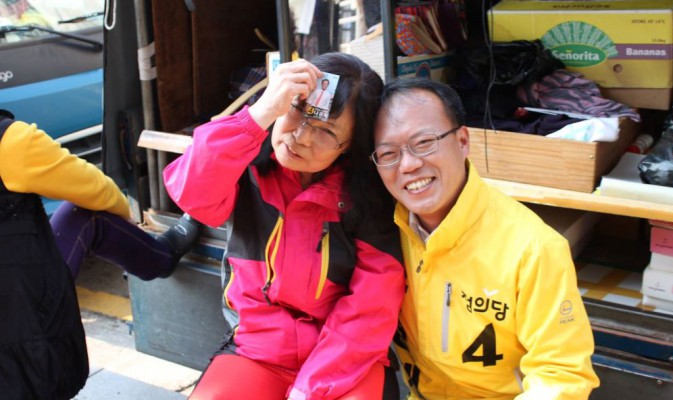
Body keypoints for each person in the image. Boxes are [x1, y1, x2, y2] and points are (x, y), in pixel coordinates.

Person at [162, 52, 405, 400]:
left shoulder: (369, 199)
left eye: (326, 131)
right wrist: (259, 114)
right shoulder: (247, 163)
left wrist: (308, 389)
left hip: (345, 360)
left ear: (352, 145)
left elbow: (372, 309)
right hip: (257, 349)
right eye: (297, 111)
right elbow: (192, 195)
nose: (301, 137)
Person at [371, 78, 600, 399]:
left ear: (463, 141)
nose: (408, 165)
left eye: (424, 142)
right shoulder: (382, 231)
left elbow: (562, 374)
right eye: (388, 153)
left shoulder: (534, 248)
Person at [0, 110, 199, 399]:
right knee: (85, 214)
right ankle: (161, 256)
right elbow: (94, 187)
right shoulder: (11, 142)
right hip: (20, 334)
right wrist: (125, 214)